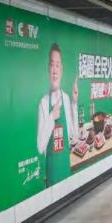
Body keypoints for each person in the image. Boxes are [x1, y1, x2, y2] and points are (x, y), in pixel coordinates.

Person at [37, 43, 79, 187]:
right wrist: (51, 118)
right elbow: (40, 146)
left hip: (65, 169)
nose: (54, 70)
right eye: (52, 65)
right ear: (48, 69)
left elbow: (74, 136)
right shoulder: (43, 103)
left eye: (57, 65)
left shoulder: (66, 98)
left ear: (61, 69)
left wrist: (74, 103)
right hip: (52, 174)